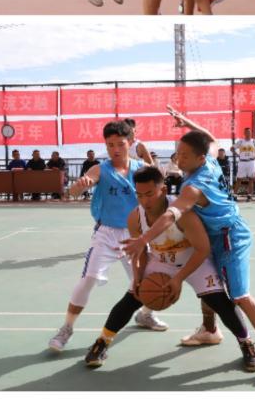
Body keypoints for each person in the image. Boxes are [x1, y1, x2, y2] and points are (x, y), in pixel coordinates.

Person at [121, 107, 255, 380]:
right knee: (209, 284)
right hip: (212, 234)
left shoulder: (193, 187)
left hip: (230, 237)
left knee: (239, 295)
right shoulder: (209, 160)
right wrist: (186, 123)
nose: (179, 158)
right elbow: (211, 138)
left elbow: (171, 214)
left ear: (198, 158)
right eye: (178, 152)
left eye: (184, 155)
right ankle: (210, 329)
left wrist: (143, 239)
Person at [84, 166, 255, 372]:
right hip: (161, 260)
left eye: (150, 194)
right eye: (139, 195)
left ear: (164, 190)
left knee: (219, 301)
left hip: (193, 259)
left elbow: (202, 250)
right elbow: (141, 253)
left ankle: (247, 343)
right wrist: (138, 277)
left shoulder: (183, 214)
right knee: (132, 297)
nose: (144, 201)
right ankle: (102, 342)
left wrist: (178, 279)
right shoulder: (135, 218)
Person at [47, 120, 167, 354]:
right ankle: (66, 328)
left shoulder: (140, 169)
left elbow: (158, 188)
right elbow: (76, 190)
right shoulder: (100, 169)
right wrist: (79, 187)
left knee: (145, 280)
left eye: (120, 144)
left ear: (130, 142)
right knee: (88, 279)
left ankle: (145, 315)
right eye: (110, 145)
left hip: (135, 234)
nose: (115, 149)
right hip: (106, 234)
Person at [232, 128, 255, 200]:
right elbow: (232, 148)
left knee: (251, 179)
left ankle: (249, 195)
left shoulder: (254, 141)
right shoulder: (241, 141)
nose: (248, 133)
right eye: (246, 132)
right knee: (239, 179)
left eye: (249, 132)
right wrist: (237, 154)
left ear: (251, 133)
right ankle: (234, 194)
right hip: (242, 162)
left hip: (251, 162)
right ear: (244, 133)